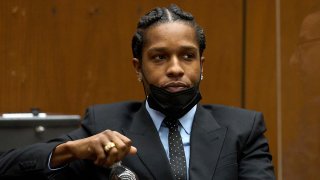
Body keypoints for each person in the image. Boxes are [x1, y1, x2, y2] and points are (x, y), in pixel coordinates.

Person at [0, 4, 275, 180]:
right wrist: (72, 150)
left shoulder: (242, 129)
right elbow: (8, 167)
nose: (176, 69)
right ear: (138, 67)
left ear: (201, 66)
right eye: (159, 57)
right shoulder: (104, 124)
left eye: (188, 56)